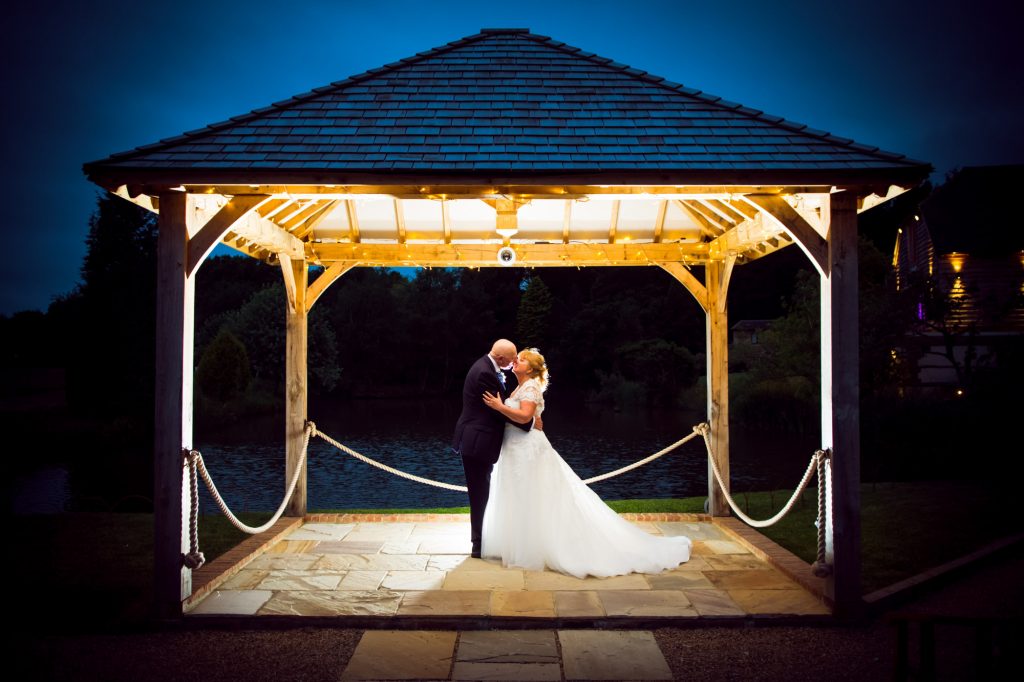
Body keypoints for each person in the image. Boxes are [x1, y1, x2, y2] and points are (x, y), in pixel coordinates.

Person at [480, 348, 691, 578]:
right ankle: (522, 544)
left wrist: (500, 407)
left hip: (527, 449)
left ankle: (538, 549)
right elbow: (528, 418)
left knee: (533, 495)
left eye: (520, 359)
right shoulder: (520, 386)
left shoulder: (530, 386)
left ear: (529, 368)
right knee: (522, 496)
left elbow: (525, 417)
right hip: (515, 448)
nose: (515, 361)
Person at [452, 339, 538, 558]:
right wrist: (530, 422)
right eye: (511, 360)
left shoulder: (487, 367)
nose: (513, 363)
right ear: (501, 359)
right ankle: (478, 545)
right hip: (477, 441)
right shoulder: (485, 373)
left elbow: (500, 408)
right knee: (479, 494)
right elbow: (497, 411)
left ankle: (482, 542)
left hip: (477, 439)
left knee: (481, 492)